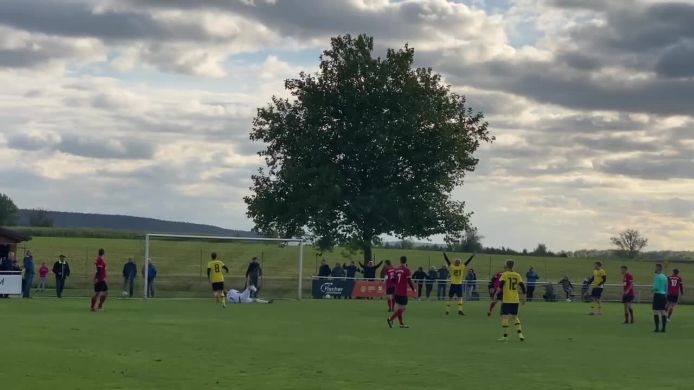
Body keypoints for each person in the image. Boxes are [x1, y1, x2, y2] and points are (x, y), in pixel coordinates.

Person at [497, 260, 526, 342]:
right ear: (513, 266)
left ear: (506, 265)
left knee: (504, 317)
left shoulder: (504, 274)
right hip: (515, 299)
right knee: (515, 317)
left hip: (507, 299)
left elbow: (500, 285)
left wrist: (496, 293)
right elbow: (523, 287)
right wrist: (524, 297)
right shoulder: (517, 275)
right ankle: (520, 334)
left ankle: (505, 336)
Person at [386, 256, 416, 329]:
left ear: (400, 261)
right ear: (406, 261)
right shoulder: (407, 270)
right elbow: (409, 280)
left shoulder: (396, 270)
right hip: (403, 292)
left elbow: (392, 280)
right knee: (402, 309)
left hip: (396, 292)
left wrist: (397, 285)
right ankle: (390, 319)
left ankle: (401, 324)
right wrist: (413, 289)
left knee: (399, 308)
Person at [652, 263, 668, 333]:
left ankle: (657, 328)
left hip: (658, 294)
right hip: (663, 295)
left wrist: (652, 290)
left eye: (655, 267)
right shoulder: (665, 277)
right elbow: (666, 288)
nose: (655, 269)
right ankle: (663, 328)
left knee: (655, 311)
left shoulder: (657, 276)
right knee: (663, 311)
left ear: (658, 268)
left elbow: (656, 287)